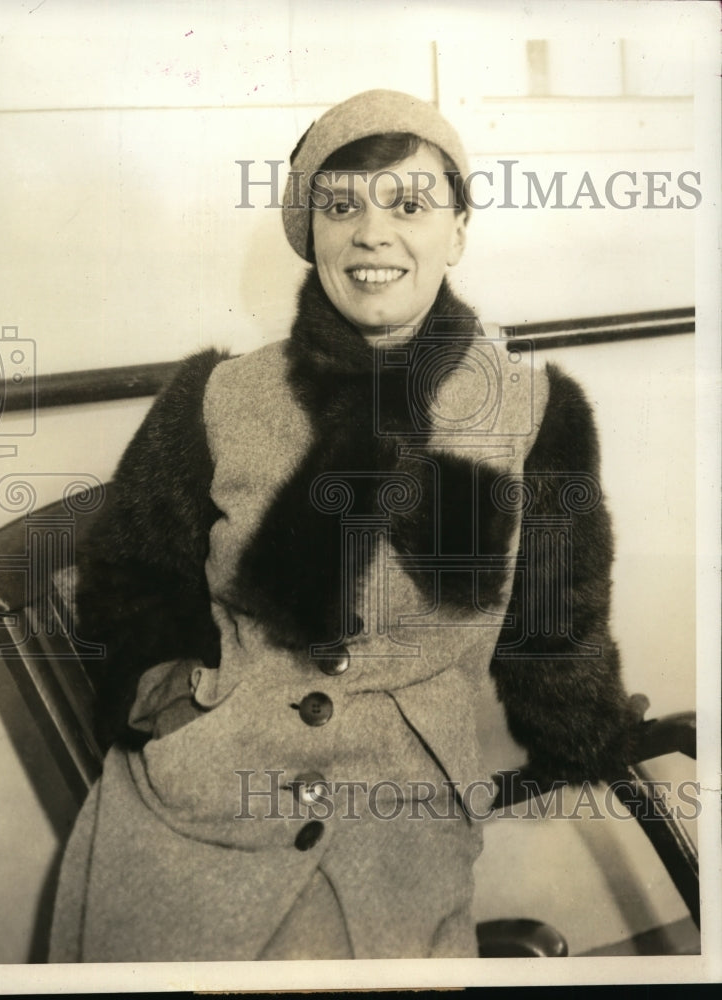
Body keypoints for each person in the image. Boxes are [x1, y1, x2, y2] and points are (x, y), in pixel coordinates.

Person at [49, 89, 634, 962]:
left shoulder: (535, 415)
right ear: (312, 233)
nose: (372, 233)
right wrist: (167, 702)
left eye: (409, 204)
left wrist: (590, 736)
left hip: (396, 819)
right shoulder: (213, 397)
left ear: (459, 233)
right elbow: (129, 577)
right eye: (341, 206)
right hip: (198, 801)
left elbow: (558, 635)